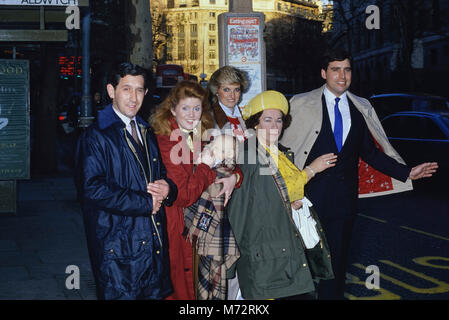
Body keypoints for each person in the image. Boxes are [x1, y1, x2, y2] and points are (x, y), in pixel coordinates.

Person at [281, 49, 439, 300]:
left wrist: (407, 172)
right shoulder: (299, 104)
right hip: (305, 198)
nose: (342, 76)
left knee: (337, 262)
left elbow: (371, 153)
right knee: (301, 262)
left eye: (347, 69)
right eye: (335, 69)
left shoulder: (361, 107)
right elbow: (279, 148)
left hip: (343, 201)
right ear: (324, 73)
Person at [75, 62, 177, 300]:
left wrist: (168, 189)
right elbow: (91, 189)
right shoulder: (96, 134)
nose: (133, 97)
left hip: (150, 244)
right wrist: (143, 203)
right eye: (126, 89)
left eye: (139, 90)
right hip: (117, 248)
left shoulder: (145, 130)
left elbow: (159, 175)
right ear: (111, 91)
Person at [226, 90, 336, 300]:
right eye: (267, 120)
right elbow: (238, 211)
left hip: (283, 244)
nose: (274, 126)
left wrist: (289, 203)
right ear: (255, 123)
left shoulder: (277, 152)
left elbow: (274, 193)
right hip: (265, 252)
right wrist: (311, 170)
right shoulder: (250, 154)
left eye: (279, 120)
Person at [150, 80, 242, 300]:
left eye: (197, 108)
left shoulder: (202, 133)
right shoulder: (165, 140)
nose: (192, 115)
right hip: (177, 222)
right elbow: (184, 194)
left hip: (201, 221)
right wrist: (206, 166)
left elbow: (233, 166)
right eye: (185, 108)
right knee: (180, 285)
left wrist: (233, 178)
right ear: (172, 109)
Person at [208, 66, 250, 142]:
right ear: (216, 91)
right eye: (226, 90)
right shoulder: (210, 119)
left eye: (236, 90)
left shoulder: (245, 117)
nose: (232, 95)